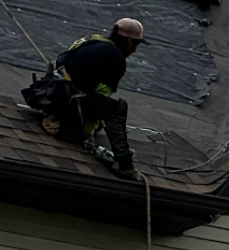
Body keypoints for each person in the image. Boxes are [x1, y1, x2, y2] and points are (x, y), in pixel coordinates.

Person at [24, 18, 147, 180]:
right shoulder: (116, 59)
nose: (134, 50)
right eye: (136, 44)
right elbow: (102, 95)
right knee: (118, 108)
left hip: (45, 94)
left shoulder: (93, 40)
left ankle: (57, 116)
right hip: (64, 100)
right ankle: (124, 165)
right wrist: (87, 136)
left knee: (91, 103)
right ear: (129, 41)